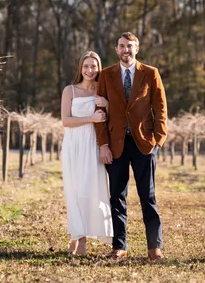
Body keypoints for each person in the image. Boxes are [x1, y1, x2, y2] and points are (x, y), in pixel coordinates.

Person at [94, 32, 168, 262]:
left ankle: (154, 248)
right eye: (122, 46)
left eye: (130, 46)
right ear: (116, 50)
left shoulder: (151, 73)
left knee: (148, 196)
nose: (126, 50)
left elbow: (161, 108)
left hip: (144, 145)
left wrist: (158, 140)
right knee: (117, 196)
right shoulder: (106, 75)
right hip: (116, 146)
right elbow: (100, 113)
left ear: (137, 49)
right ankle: (119, 247)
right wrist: (103, 144)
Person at [60, 51, 113, 256]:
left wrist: (107, 105)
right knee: (73, 190)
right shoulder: (70, 91)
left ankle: (83, 236)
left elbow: (112, 116)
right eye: (86, 66)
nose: (90, 70)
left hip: (93, 144)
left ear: (99, 68)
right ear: (80, 68)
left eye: (94, 66)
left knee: (90, 189)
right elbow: (66, 121)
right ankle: (78, 238)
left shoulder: (102, 91)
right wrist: (91, 117)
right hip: (74, 144)